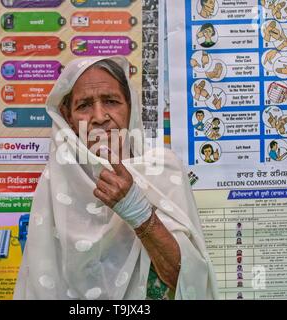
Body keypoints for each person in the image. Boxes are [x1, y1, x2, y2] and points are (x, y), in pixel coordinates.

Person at [13, 56, 218, 300]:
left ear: (130, 107)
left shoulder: (162, 169)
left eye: (111, 101)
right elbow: (41, 283)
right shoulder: (56, 184)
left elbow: (188, 281)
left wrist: (137, 209)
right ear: (67, 116)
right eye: (84, 106)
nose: (99, 116)